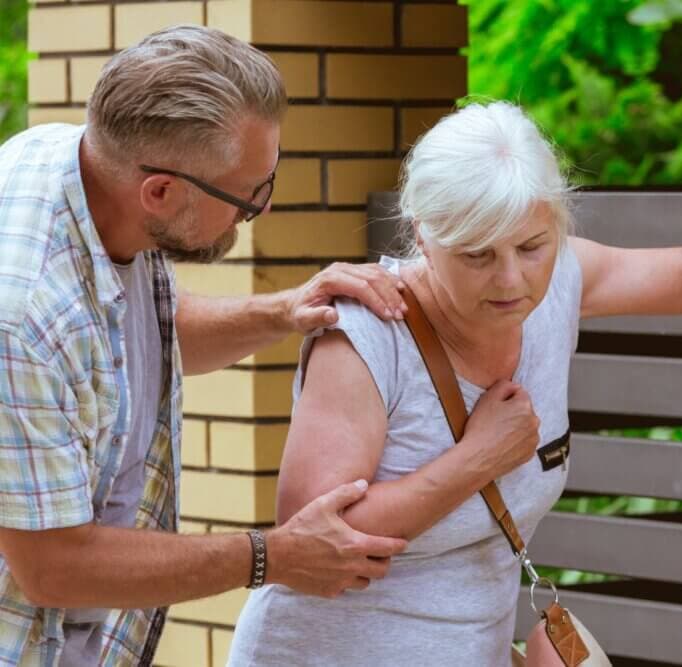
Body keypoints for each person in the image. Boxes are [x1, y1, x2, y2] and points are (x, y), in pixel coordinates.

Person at [228, 92, 682, 665]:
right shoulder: (368, 334)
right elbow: (314, 542)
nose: (512, 280)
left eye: (531, 246)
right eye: (477, 255)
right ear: (421, 233)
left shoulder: (559, 283)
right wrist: (476, 459)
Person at [0, 25, 408, 667]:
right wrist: (274, 556)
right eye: (248, 194)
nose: (259, 211)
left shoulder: (75, 162)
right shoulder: (23, 314)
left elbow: (121, 350)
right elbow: (52, 567)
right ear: (159, 192)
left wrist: (283, 310)